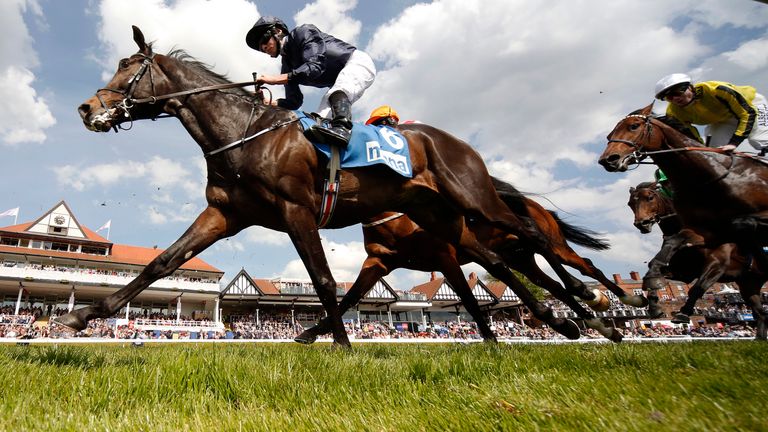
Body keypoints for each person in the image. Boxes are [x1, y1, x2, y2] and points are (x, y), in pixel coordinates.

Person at [246, 16, 377, 147]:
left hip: (356, 62)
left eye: (264, 39)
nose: (263, 47)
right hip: (337, 84)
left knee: (337, 92)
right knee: (318, 121)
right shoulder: (286, 64)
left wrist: (275, 79)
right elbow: (294, 101)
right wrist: (268, 102)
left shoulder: (302, 32)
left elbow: (315, 66)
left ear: (278, 30)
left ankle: (343, 130)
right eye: (260, 48)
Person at [654, 73, 768, 154]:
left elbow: (747, 114)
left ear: (690, 87)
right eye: (669, 97)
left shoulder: (717, 90)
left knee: (760, 141)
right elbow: (693, 137)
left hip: (751, 107)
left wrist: (734, 143)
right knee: (715, 152)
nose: (675, 99)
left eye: (677, 93)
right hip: (722, 120)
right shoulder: (673, 113)